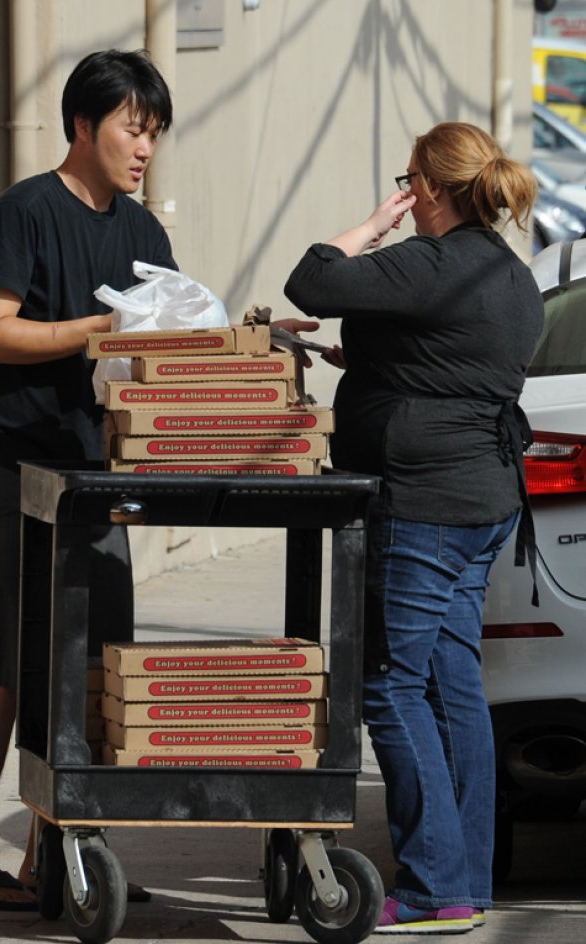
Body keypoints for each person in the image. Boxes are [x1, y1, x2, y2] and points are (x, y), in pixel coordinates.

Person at [0, 49, 176, 910]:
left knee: (92, 665)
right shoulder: (23, 212)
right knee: (4, 662)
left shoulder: (143, 233)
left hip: (100, 475)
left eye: (152, 134)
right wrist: (99, 327)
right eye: (132, 130)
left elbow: (156, 349)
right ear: (82, 125)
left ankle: (52, 860)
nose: (143, 148)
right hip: (10, 465)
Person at [283, 122, 543, 934]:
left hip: (426, 507)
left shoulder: (432, 261)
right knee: (452, 681)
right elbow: (446, 362)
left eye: (410, 180)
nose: (407, 192)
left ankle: (435, 888)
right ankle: (464, 879)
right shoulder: (509, 274)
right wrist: (365, 368)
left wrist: (370, 223)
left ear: (429, 187)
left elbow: (313, 279)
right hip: (483, 503)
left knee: (393, 687)